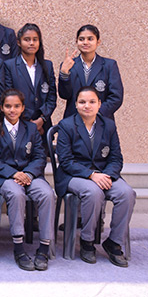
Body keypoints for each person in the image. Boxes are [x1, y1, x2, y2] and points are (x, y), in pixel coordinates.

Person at [54, 87, 136, 267]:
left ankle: (114, 242)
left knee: (127, 193)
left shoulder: (109, 125)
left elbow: (116, 157)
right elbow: (66, 161)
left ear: (99, 104)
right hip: (74, 175)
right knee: (93, 192)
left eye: (92, 102)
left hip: (104, 173)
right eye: (82, 102)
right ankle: (87, 241)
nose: (87, 106)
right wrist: (91, 175)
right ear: (76, 105)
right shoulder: (66, 126)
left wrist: (107, 175)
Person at [0, 89, 56, 271]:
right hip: (3, 177)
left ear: (22, 108)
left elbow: (40, 156)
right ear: (1, 107)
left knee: (47, 194)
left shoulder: (31, 128)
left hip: (30, 175)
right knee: (16, 194)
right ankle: (19, 248)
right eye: (8, 106)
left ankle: (44, 247)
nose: (12, 110)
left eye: (16, 106)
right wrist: (13, 174)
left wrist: (28, 174)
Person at [58, 24, 123, 120]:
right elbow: (64, 95)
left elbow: (116, 97)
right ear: (76, 42)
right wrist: (64, 73)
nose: (85, 42)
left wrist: (96, 113)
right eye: (81, 39)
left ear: (98, 42)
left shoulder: (109, 65)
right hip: (73, 121)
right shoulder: (68, 65)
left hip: (101, 120)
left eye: (90, 39)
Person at [4, 23, 56, 136]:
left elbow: (52, 97)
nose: (31, 43)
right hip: (19, 124)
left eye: (35, 39)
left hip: (43, 126)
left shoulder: (47, 66)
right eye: (27, 39)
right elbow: (8, 95)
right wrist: (29, 121)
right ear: (19, 42)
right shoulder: (10, 66)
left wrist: (41, 119)